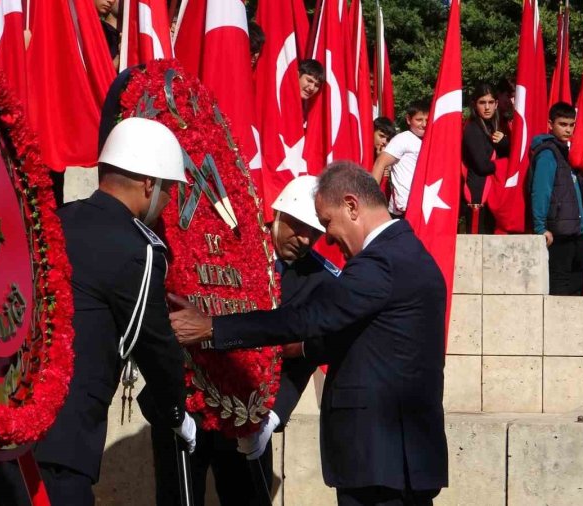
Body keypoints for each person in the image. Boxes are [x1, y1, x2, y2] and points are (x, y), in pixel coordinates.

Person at [170, 162, 449, 505]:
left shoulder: (381, 263)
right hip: (397, 455)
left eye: (327, 223)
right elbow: (360, 337)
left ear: (351, 206)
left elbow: (308, 318)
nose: (327, 237)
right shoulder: (409, 253)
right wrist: (303, 349)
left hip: (382, 456)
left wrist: (211, 328)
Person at [0, 118, 195, 506]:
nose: (168, 203)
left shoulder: (52, 222)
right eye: (170, 190)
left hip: (5, 437)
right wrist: (177, 411)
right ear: (150, 183)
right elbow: (156, 346)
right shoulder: (139, 249)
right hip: (62, 448)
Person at [233, 176, 341, 462]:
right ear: (279, 214)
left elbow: (303, 357)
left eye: (314, 232)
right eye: (299, 227)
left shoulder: (322, 281)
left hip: (258, 412)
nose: (305, 239)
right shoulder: (235, 248)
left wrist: (272, 416)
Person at [529, 102, 583, 296]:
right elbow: (540, 191)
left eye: (571, 124)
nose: (568, 129)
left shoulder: (566, 152)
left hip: (573, 230)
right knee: (560, 286)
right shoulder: (547, 153)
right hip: (557, 232)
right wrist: (540, 227)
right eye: (563, 124)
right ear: (550, 124)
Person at [461, 84, 510, 234]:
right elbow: (482, 166)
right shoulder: (472, 128)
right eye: (482, 103)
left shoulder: (495, 127)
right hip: (478, 195)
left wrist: (505, 142)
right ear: (475, 105)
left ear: (496, 104)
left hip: (494, 193)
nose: (487, 107)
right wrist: (507, 164)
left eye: (490, 102)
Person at [370, 99, 431, 219]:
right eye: (419, 120)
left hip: (425, 206)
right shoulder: (402, 139)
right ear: (409, 119)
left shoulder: (431, 141)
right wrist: (371, 199)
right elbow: (380, 163)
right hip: (404, 209)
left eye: (427, 120)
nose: (423, 124)